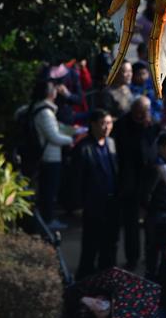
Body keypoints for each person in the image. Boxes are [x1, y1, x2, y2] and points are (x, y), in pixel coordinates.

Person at [113, 95, 160, 270]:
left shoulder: (153, 125)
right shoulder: (122, 125)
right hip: (129, 180)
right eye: (139, 112)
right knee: (131, 223)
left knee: (151, 221)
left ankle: (150, 256)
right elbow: (125, 149)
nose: (142, 115)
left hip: (149, 180)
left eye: (145, 112)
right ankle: (132, 258)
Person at [76, 108, 120, 278]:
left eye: (109, 123)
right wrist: (79, 204)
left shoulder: (111, 143)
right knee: (91, 243)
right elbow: (77, 179)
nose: (107, 127)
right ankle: (85, 278)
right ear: (93, 125)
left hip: (111, 202)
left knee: (110, 242)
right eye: (103, 123)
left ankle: (107, 276)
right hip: (93, 203)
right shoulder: (83, 147)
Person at [32, 78, 78, 228]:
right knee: (49, 190)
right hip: (50, 157)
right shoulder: (45, 112)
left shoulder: (40, 108)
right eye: (54, 88)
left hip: (48, 155)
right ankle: (48, 220)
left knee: (48, 189)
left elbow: (55, 129)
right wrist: (71, 139)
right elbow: (53, 136)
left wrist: (72, 131)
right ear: (50, 93)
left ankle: (47, 219)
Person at [143, 132, 166, 274]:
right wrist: (153, 213)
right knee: (155, 257)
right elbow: (145, 195)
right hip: (158, 219)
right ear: (161, 148)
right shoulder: (156, 168)